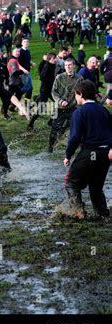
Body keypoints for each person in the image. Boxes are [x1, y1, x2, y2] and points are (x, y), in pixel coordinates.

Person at [63, 80, 112, 219]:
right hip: (105, 154)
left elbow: (75, 137)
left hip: (92, 153)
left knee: (71, 183)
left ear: (81, 94)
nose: (75, 97)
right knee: (95, 186)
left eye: (76, 95)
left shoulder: (79, 112)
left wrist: (68, 155)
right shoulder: (103, 110)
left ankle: (79, 212)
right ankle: (103, 214)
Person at [50, 59, 83, 153]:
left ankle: (71, 145)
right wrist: (60, 101)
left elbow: (81, 92)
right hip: (59, 107)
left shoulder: (79, 78)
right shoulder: (59, 77)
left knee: (73, 126)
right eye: (66, 65)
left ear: (74, 66)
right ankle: (50, 146)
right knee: (55, 127)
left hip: (73, 107)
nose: (68, 67)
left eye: (70, 65)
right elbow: (53, 92)